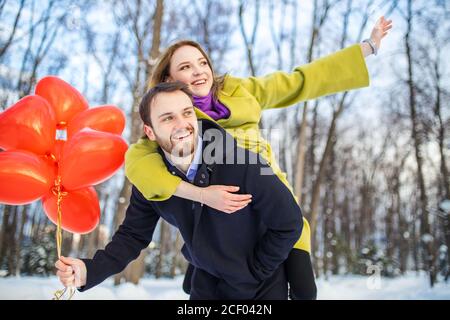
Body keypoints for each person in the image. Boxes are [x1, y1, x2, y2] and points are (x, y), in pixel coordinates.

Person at [124, 16, 393, 299]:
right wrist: (193, 194)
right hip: (225, 224)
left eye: (203, 62)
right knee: (204, 287)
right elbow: (139, 162)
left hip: (272, 208)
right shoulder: (173, 122)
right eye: (185, 67)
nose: (199, 71)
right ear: (168, 80)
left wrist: (366, 48)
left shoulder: (240, 92)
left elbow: (300, 80)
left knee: (304, 290)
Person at [55, 81, 304, 299]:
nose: (182, 124)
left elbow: (290, 222)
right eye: (168, 117)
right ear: (150, 131)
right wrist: (90, 270)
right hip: (206, 283)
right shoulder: (152, 179)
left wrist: (255, 269)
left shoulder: (243, 162)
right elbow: (132, 236)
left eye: (187, 113)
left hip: (260, 287)